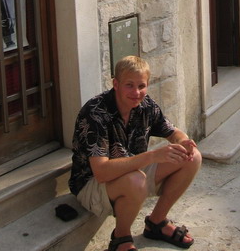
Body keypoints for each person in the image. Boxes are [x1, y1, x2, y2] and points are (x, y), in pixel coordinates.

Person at [69, 55, 202, 251]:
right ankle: (121, 238)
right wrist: (153, 156)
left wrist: (183, 142)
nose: (136, 92)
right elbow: (101, 172)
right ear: (116, 84)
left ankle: (156, 223)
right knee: (136, 180)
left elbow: (173, 132)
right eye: (129, 85)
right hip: (91, 185)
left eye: (141, 86)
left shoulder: (145, 106)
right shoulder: (95, 113)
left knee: (192, 158)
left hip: (131, 173)